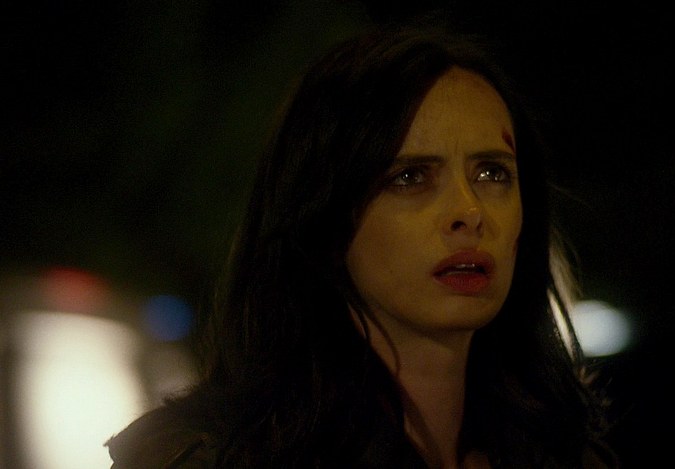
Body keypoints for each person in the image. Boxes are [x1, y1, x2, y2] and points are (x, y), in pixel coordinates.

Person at [106, 15, 618, 469]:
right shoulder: (210, 457)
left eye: (492, 172)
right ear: (324, 213)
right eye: (410, 177)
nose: (469, 212)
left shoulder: (567, 454)